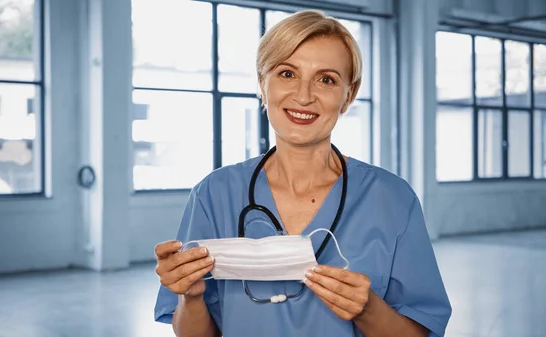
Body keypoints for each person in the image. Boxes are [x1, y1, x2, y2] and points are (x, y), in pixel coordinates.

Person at [153, 9, 451, 337]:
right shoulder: (214, 193)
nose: (304, 95)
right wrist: (189, 295)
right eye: (286, 73)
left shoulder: (391, 198)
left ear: (348, 95)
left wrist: (367, 309)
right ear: (262, 85)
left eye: (326, 79)